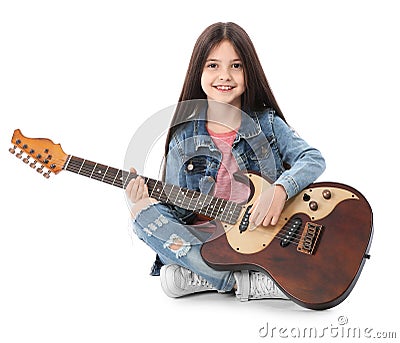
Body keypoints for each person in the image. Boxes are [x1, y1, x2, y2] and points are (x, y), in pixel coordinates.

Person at [125, 22, 325, 302]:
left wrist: (280, 190)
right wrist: (146, 199)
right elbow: (180, 215)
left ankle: (199, 275)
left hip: (269, 238)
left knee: (173, 279)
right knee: (141, 214)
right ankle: (240, 281)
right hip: (215, 242)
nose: (224, 76)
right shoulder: (183, 138)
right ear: (199, 72)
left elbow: (312, 158)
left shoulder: (266, 123)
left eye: (236, 66)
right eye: (213, 66)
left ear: (248, 71)